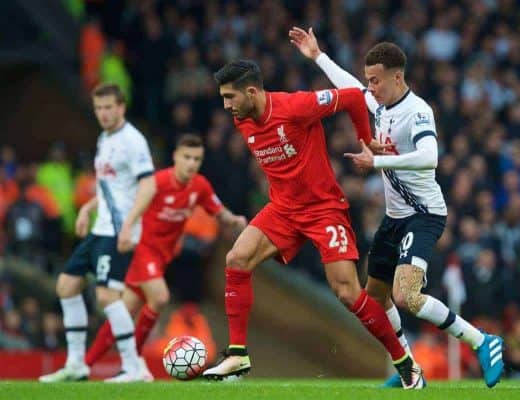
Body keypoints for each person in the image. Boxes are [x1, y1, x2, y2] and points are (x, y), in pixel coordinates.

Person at [289, 27, 504, 388]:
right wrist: (318, 56)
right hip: (396, 218)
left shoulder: (417, 112)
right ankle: (409, 371)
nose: (369, 87)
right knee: (375, 296)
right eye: (369, 80)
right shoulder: (380, 103)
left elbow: (429, 157)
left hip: (424, 215)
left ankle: (482, 341)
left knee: (407, 295)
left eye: (376, 80)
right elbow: (350, 87)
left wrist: (377, 164)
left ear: (397, 77)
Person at [201, 59, 425, 389]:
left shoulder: (295, 106)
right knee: (236, 259)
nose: (226, 105)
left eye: (230, 97)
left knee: (348, 293)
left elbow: (350, 95)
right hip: (283, 210)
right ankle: (237, 355)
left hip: (323, 210)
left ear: (251, 91)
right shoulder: (243, 119)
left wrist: (366, 140)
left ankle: (406, 365)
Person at [83, 134, 247, 378]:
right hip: (142, 250)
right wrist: (90, 210)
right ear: (175, 158)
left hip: (161, 258)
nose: (191, 163)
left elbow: (218, 211)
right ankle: (133, 364)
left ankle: (82, 365)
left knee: (123, 312)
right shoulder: (157, 182)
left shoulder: (200, 186)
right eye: (187, 157)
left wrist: (235, 220)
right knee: (160, 297)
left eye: (197, 159)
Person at [40, 83, 154, 383]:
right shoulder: (105, 139)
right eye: (98, 108)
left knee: (106, 297)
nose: (103, 113)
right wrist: (86, 208)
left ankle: (132, 367)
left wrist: (129, 223)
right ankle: (76, 364)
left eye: (108, 107)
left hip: (118, 231)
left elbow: (149, 185)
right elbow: (110, 187)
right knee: (66, 286)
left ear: (121, 107)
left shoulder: (133, 141)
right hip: (99, 228)